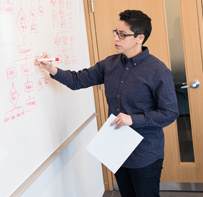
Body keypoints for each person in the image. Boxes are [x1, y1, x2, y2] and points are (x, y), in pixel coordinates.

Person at [36, 10, 179, 197]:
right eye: (115, 32)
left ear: (140, 38)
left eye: (122, 34)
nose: (117, 38)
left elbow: (170, 112)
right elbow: (78, 80)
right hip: (117, 149)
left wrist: (133, 119)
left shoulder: (158, 71)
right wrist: (51, 69)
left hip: (145, 153)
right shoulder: (109, 64)